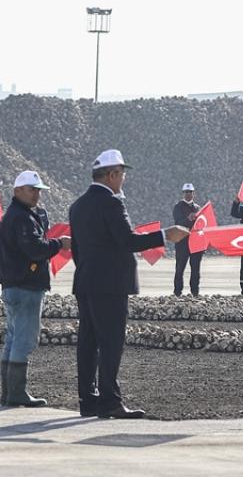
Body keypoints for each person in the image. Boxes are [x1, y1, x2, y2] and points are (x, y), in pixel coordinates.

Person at [70, 149, 189, 419]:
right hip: (110, 285)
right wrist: (164, 235)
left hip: (86, 281)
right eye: (121, 174)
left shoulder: (77, 206)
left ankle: (88, 400)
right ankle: (110, 400)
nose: (123, 180)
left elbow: (76, 250)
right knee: (110, 342)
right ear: (112, 174)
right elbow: (128, 241)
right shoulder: (112, 204)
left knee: (88, 343)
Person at [0, 170, 69, 407]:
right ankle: (16, 393)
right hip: (26, 285)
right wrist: (58, 243)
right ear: (18, 191)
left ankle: (9, 393)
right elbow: (35, 249)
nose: (37, 195)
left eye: (38, 190)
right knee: (24, 341)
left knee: (13, 339)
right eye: (32, 189)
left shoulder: (14, 216)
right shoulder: (22, 218)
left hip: (13, 285)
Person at [172, 183, 202, 297]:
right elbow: (178, 222)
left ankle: (195, 292)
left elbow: (202, 225)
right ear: (183, 193)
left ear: (194, 193)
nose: (188, 194)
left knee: (195, 269)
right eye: (186, 192)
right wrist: (188, 219)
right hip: (182, 242)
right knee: (180, 268)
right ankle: (177, 292)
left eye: (190, 192)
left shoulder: (198, 208)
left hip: (195, 243)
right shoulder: (178, 206)